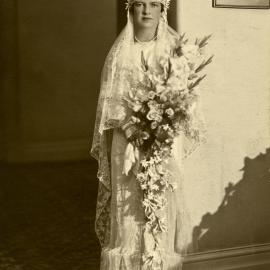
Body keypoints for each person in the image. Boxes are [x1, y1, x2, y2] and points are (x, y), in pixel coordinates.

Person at [91, 0, 205, 269]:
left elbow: (186, 99)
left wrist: (165, 122)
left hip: (163, 139)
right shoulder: (120, 54)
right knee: (129, 208)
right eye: (140, 4)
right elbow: (111, 102)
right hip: (128, 140)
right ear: (130, 9)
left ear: (163, 10)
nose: (146, 11)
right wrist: (132, 128)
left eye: (154, 4)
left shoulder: (174, 51)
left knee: (161, 204)